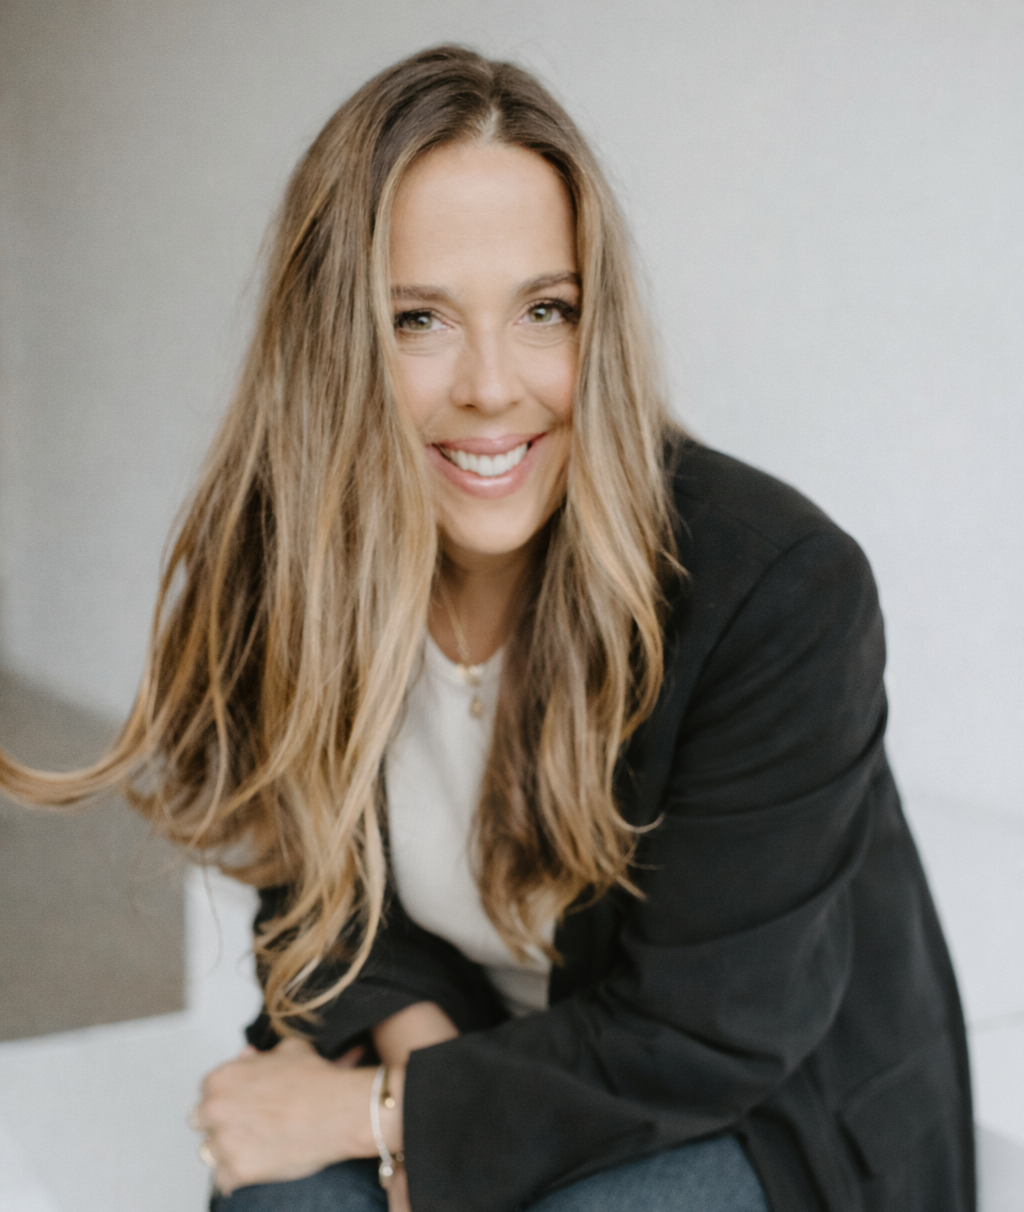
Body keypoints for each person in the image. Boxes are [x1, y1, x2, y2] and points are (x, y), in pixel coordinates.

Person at [0, 45, 974, 1212]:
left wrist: (382, 1118)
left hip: (751, 1108)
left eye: (544, 310)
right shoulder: (292, 553)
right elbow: (313, 890)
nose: (492, 386)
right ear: (334, 340)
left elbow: (709, 1033)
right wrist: (427, 1093)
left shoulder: (777, 589)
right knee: (277, 1201)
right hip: (469, 1044)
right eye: (418, 319)